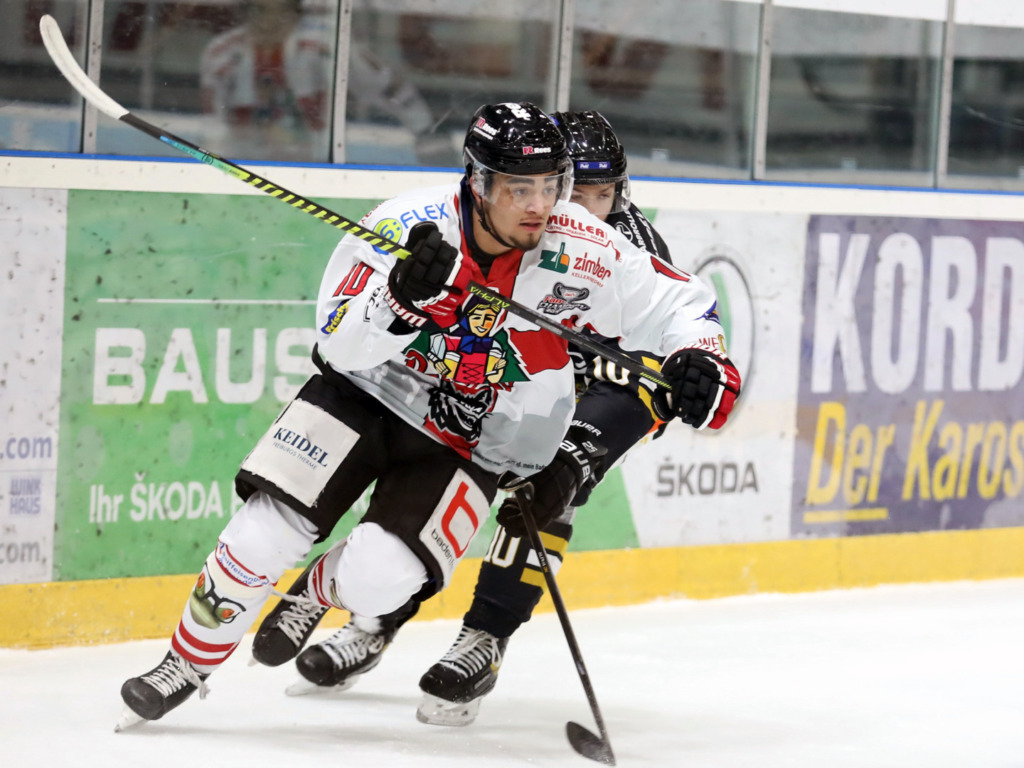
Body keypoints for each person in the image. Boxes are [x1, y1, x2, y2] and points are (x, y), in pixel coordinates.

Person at [117, 101, 740, 729]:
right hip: (364, 395)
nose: (538, 206)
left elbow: (683, 303)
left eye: (551, 187)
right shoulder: (406, 225)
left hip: (468, 435)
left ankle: (321, 589)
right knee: (264, 532)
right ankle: (183, 665)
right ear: (478, 181)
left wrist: (702, 358)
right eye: (520, 188)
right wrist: (398, 301)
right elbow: (337, 342)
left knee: (378, 581)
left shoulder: (585, 249)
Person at [256, 110, 682, 727]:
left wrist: (587, 446)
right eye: (576, 193)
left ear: (621, 192)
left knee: (547, 488)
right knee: (427, 492)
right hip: (499, 383)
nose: (584, 211)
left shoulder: (628, 252)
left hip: (584, 400)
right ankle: (375, 617)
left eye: (603, 194)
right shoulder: (517, 220)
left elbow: (665, 370)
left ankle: (485, 637)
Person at [199, 0, 451, 164]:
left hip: (316, 164)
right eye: (258, 10)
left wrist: (426, 134)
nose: (268, 21)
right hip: (246, 163)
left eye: (279, 12)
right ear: (244, 12)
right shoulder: (220, 55)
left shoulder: (327, 44)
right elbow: (214, 126)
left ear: (295, 13)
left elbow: (385, 86)